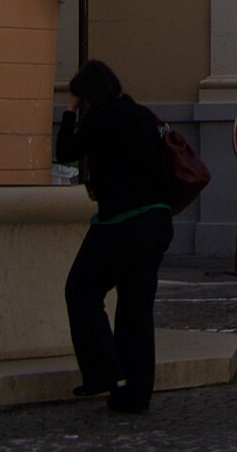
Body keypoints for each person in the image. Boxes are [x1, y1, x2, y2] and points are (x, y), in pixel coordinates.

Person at [55, 59, 173, 413]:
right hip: (156, 222)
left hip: (122, 225)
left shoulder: (100, 117)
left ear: (87, 95)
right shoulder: (142, 115)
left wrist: (68, 111)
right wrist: (100, 183)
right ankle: (134, 395)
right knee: (135, 311)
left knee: (80, 292)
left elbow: (65, 153)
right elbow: (132, 164)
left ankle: (105, 373)